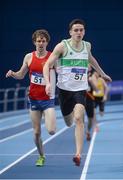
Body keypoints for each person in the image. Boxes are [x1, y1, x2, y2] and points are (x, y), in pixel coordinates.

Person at [43, 19, 112, 166]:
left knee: (79, 118)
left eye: (81, 30)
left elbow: (91, 59)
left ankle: (78, 154)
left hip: (80, 90)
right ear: (70, 32)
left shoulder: (87, 46)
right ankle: (69, 118)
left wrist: (103, 73)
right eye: (76, 30)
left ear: (84, 32)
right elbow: (48, 64)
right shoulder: (62, 46)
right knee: (69, 122)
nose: (79, 32)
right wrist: (48, 82)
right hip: (64, 91)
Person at [6, 29, 56, 167]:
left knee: (51, 130)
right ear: (34, 42)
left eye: (43, 41)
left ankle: (48, 117)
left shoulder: (52, 57)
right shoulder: (29, 57)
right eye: (38, 41)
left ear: (47, 42)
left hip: (48, 100)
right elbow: (21, 75)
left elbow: (60, 73)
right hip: (33, 99)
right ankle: (41, 156)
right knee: (36, 133)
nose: (41, 43)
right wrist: (13, 73)